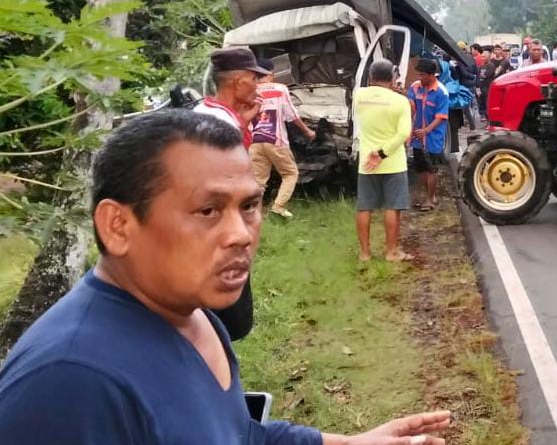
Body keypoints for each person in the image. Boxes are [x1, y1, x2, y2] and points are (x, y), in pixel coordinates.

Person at [0, 110, 451, 444]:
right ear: (118, 226)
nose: (240, 235)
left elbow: (237, 435)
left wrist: (355, 443)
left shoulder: (194, 315)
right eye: (208, 210)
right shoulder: (70, 383)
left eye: (249, 206)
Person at [192, 46, 271, 341]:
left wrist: (245, 121)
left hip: (212, 228)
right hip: (220, 234)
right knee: (228, 322)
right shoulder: (219, 123)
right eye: (254, 78)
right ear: (239, 82)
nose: (258, 85)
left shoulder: (208, 112)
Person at [352, 59, 413, 262]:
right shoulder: (399, 101)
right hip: (392, 161)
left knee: (364, 207)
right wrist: (382, 153)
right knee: (392, 207)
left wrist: (374, 153)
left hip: (366, 161)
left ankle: (365, 253)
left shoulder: (358, 96)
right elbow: (404, 133)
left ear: (370, 77)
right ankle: (391, 251)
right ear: (393, 77)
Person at [250, 58, 316, 219]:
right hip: (276, 140)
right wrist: (307, 131)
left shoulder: (250, 90)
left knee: (259, 182)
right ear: (271, 73)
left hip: (255, 141)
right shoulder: (280, 89)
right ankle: (278, 207)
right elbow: (291, 114)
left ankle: (253, 214)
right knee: (290, 173)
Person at [408, 58, 450, 211]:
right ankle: (427, 196)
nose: (420, 78)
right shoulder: (415, 87)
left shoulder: (441, 92)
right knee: (421, 168)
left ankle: (431, 198)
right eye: (419, 75)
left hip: (433, 136)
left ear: (432, 75)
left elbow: (441, 116)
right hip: (417, 136)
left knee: (432, 168)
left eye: (423, 75)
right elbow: (411, 104)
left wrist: (426, 130)